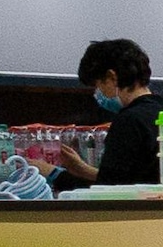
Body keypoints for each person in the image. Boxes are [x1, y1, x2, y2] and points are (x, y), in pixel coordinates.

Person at [63, 38, 157, 189]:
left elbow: (109, 188)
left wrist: (56, 175)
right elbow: (131, 177)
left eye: (97, 85)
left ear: (111, 77)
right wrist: (83, 170)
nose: (96, 94)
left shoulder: (128, 121)